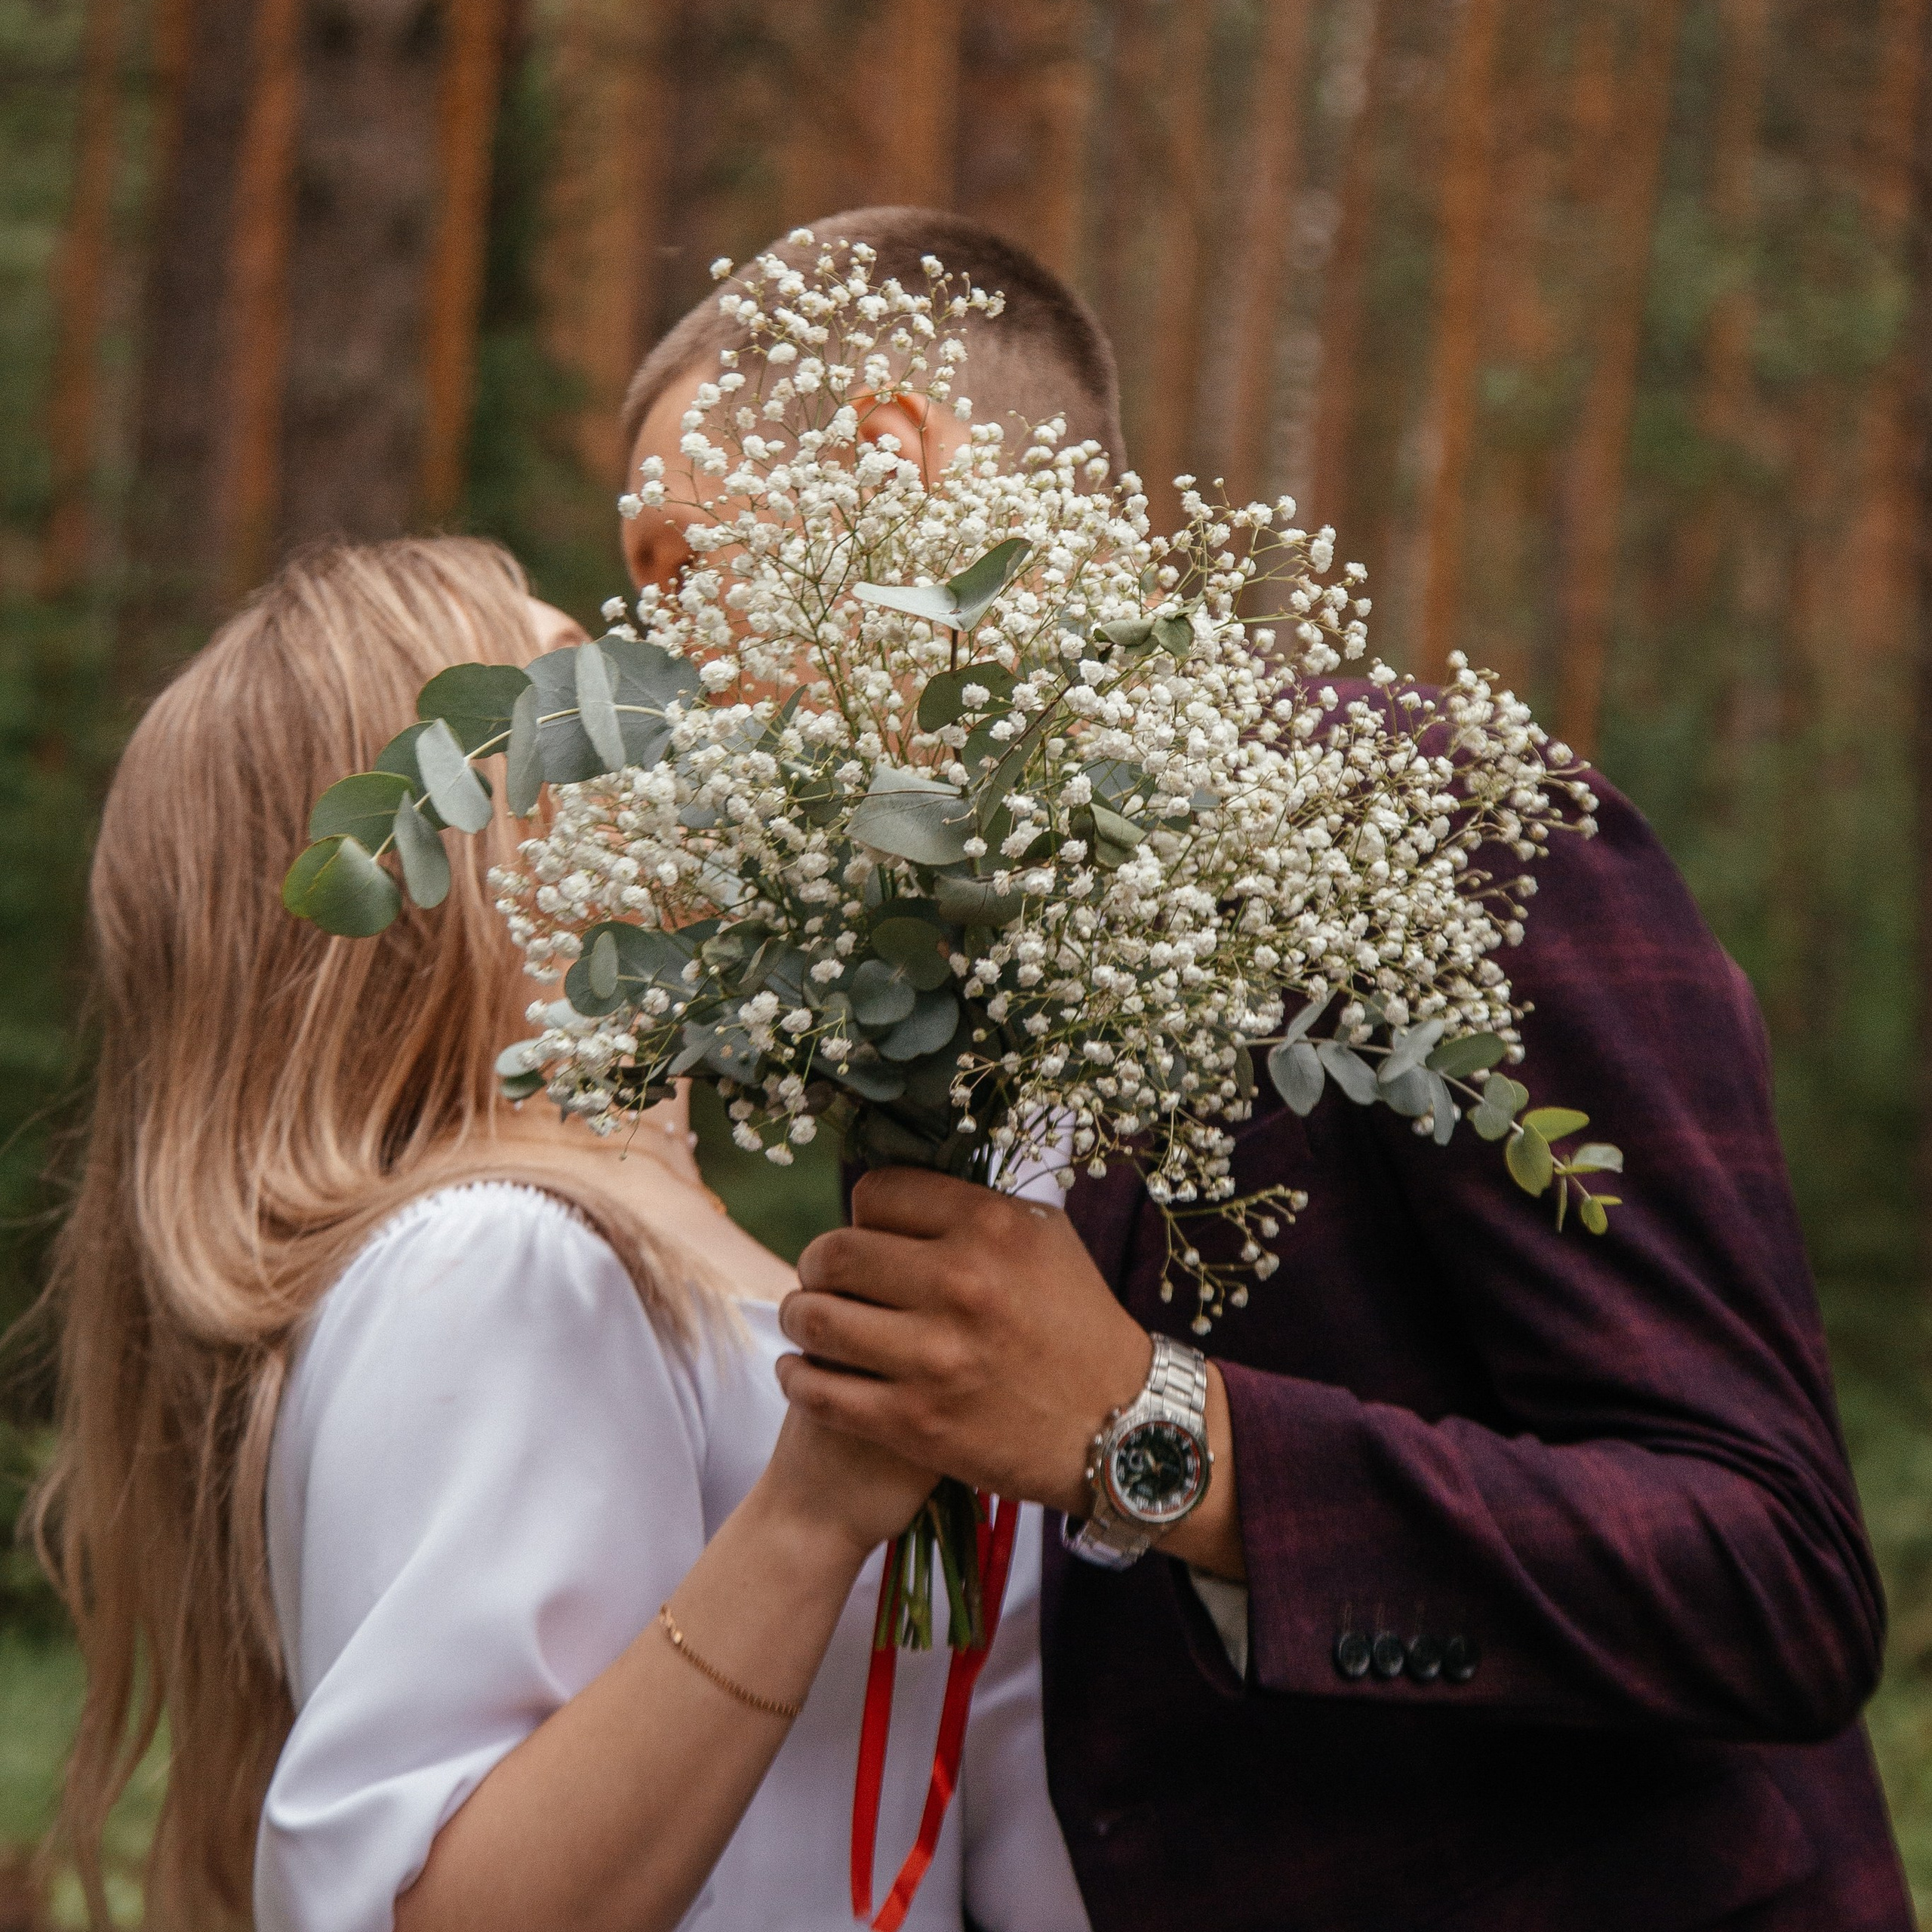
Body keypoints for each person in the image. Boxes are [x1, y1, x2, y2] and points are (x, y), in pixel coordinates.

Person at [622, 210, 1915, 1927]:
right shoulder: (949, 990)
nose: (656, 685)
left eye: (671, 572)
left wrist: (1156, 1434)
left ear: (886, 463)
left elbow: (1775, 1583)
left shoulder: (1427, 837)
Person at [29, 536, 1090, 1932]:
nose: (676, 727)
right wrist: (814, 1512)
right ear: (433, 859)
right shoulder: (504, 1256)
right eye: (587, 710)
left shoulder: (615, 1254)